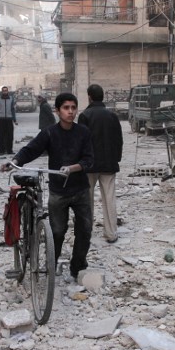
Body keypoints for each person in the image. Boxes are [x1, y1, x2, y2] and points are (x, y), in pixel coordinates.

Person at [1, 93, 94, 279]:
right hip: (58, 192)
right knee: (57, 231)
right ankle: (52, 263)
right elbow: (32, 149)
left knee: (85, 229)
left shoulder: (83, 132)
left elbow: (89, 160)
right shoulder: (50, 133)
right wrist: (15, 160)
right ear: (57, 111)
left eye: (73, 108)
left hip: (81, 190)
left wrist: (73, 168)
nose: (70, 112)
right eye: (66, 108)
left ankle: (77, 266)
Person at [78, 84, 123, 243]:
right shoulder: (112, 116)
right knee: (109, 198)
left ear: (89, 96)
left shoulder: (85, 116)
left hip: (89, 165)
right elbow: (119, 140)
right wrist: (116, 159)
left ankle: (86, 231)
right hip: (108, 164)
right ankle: (111, 233)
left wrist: (81, 163)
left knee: (87, 199)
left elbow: (81, 142)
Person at [0, 86, 17, 155]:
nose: (5, 92)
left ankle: (9, 150)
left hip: (9, 120)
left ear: (7, 91)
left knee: (10, 136)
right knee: (1, 136)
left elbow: (13, 110)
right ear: (2, 91)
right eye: (3, 91)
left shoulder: (11, 99)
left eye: (6, 90)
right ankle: (1, 151)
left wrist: (14, 120)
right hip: (1, 120)